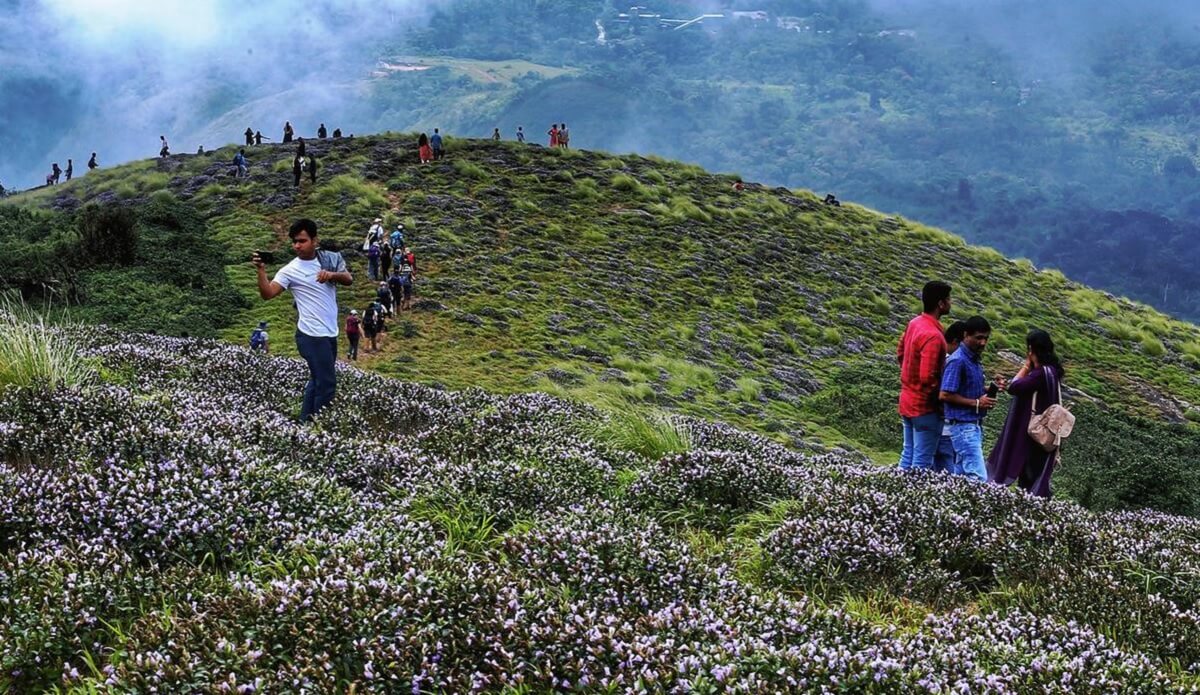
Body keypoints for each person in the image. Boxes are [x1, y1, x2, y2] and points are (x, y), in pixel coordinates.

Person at [253, 219, 352, 423]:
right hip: (310, 335)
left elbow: (348, 279)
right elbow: (268, 294)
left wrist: (331, 274)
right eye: (294, 242)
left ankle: (304, 423)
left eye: (302, 241)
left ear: (315, 240)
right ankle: (319, 428)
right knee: (327, 384)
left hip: (329, 333)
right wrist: (261, 271)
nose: (297, 245)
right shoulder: (290, 270)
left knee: (316, 381)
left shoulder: (328, 260)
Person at [988, 329, 1066, 498]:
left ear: (1031, 350)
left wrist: (1026, 365)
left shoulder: (1039, 374)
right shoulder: (1052, 372)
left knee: (1028, 476)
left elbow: (1015, 387)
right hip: (1045, 432)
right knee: (1033, 475)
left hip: (1033, 434)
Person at [896, 280, 951, 471]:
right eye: (949, 299)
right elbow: (928, 377)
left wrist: (908, 376)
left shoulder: (914, 323)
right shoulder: (934, 336)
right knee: (922, 461)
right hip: (924, 408)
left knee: (908, 453)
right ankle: (909, 499)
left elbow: (900, 353)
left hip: (906, 400)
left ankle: (893, 490)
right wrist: (939, 402)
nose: (951, 303)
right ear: (941, 304)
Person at [939, 316, 997, 482]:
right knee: (978, 477)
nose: (983, 343)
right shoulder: (958, 360)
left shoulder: (973, 359)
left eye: (986, 338)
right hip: (964, 427)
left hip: (974, 426)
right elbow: (945, 394)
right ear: (966, 335)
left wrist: (988, 390)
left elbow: (965, 387)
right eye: (978, 338)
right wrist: (978, 403)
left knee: (961, 476)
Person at [934, 321, 967, 475]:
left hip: (939, 425)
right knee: (947, 469)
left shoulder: (939, 357)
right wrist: (977, 402)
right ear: (956, 342)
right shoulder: (952, 361)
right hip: (946, 426)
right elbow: (946, 393)